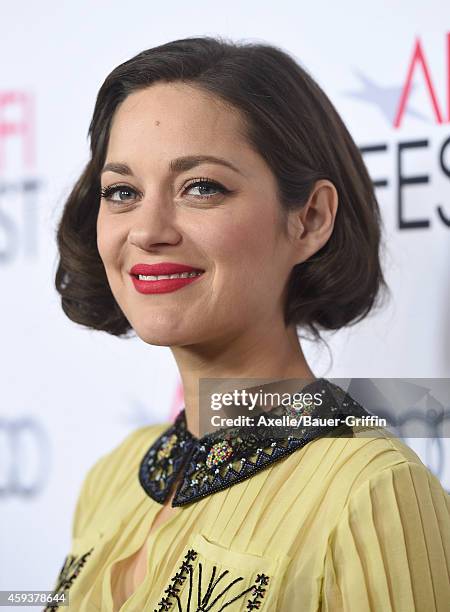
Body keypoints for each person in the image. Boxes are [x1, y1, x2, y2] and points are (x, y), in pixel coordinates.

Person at [48, 36, 450, 611]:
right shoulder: (112, 478)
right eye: (123, 192)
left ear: (309, 219)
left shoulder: (373, 490)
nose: (147, 229)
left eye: (201, 187)